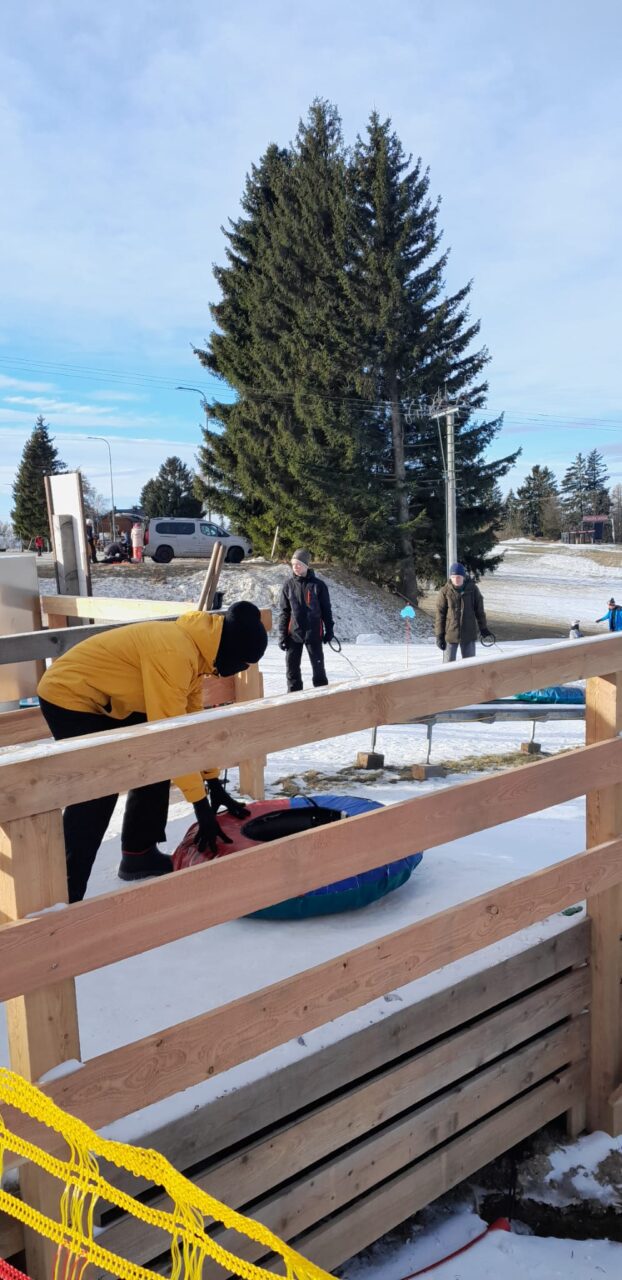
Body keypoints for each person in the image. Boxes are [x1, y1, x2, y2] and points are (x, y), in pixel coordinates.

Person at [37, 601, 268, 901]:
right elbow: (172, 740)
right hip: (69, 695)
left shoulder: (196, 654)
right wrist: (200, 805)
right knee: (97, 790)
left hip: (111, 700)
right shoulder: (175, 653)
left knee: (154, 759)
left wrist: (212, 781)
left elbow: (190, 727)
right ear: (231, 650)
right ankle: (64, 893)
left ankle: (139, 853)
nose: (237, 672)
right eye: (242, 664)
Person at [278, 549, 334, 692]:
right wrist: (282, 635)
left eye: (298, 564)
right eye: (293, 564)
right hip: (293, 634)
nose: (295, 567)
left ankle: (321, 693)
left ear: (306, 565)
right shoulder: (288, 585)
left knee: (318, 668)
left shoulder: (318, 585)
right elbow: (284, 612)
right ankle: (294, 695)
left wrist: (329, 630)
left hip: (314, 633)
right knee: (291, 668)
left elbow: (326, 610)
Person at [435, 562, 492, 662]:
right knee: (448, 666)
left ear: (463, 577)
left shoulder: (473, 589)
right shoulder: (444, 591)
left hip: (468, 634)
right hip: (450, 634)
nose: (456, 579)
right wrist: (439, 635)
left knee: (469, 665)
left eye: (459, 577)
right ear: (451, 578)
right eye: (454, 577)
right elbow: (440, 615)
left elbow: (479, 611)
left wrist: (483, 628)